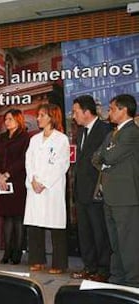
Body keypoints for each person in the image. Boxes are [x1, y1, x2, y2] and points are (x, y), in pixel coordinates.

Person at [93, 94, 139, 287]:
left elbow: (110, 156)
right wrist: (105, 157)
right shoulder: (111, 134)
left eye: (112, 109)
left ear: (123, 110)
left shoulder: (132, 132)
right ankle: (117, 279)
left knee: (128, 242)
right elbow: (95, 157)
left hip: (126, 196)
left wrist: (105, 157)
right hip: (110, 195)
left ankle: (133, 282)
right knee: (115, 242)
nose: (108, 112)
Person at [23, 103, 70, 274]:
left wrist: (44, 182)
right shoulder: (34, 139)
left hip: (52, 188)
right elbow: (29, 162)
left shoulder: (61, 139)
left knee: (56, 226)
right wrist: (33, 180)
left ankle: (59, 263)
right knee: (35, 225)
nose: (38, 118)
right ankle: (37, 260)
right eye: (38, 115)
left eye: (42, 115)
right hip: (35, 188)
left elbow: (61, 164)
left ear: (52, 116)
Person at [71, 95, 111, 282]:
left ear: (87, 112)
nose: (74, 116)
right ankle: (89, 267)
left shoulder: (105, 130)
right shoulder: (80, 132)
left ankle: (103, 270)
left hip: (97, 191)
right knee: (84, 232)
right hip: (80, 191)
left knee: (99, 232)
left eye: (76, 111)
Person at [0, 109, 30, 265]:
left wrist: (8, 174)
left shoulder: (25, 137)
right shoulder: (1, 138)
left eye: (10, 119)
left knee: (18, 218)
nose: (6, 122)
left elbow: (23, 160)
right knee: (6, 217)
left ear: (18, 120)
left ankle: (17, 253)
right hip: (2, 183)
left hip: (18, 181)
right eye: (6, 119)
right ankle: (6, 252)